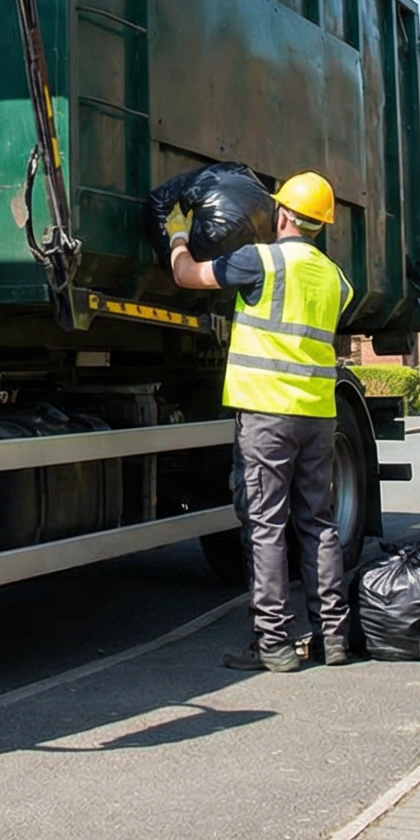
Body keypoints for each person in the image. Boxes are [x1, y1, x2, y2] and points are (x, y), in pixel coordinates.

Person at [169, 172, 352, 674]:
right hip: (317, 414)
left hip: (267, 414)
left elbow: (188, 276)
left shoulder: (261, 261)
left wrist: (177, 234)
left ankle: (273, 642)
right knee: (318, 523)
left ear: (285, 215)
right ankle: (333, 638)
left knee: (266, 525)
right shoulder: (337, 279)